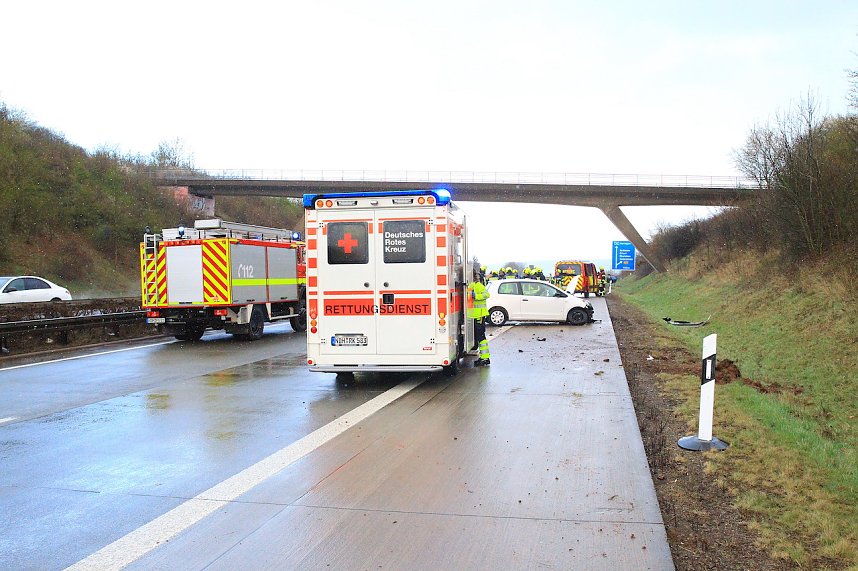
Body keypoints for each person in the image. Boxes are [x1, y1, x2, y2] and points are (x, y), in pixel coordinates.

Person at [467, 267, 491, 366]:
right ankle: (484, 357)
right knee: (479, 336)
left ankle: (485, 358)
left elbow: (487, 295)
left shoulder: (478, 285)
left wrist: (476, 296)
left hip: (479, 315)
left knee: (481, 336)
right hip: (474, 315)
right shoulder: (471, 286)